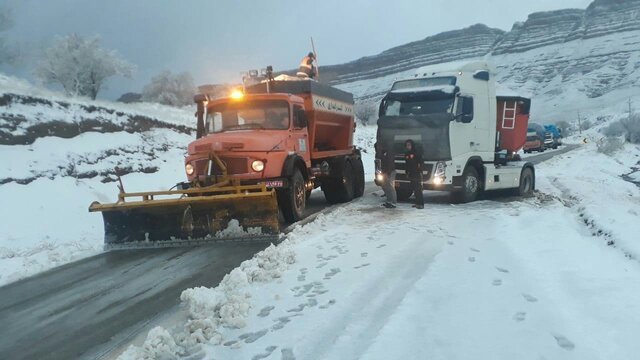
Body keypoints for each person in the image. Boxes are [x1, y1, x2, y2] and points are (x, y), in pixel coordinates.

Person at [375, 142, 397, 208]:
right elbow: (377, 164)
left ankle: (393, 202)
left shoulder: (388, 153)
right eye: (376, 148)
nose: (377, 149)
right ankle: (389, 201)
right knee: (385, 186)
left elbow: (390, 163)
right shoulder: (378, 154)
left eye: (378, 147)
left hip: (390, 172)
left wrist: (388, 173)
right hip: (383, 172)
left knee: (390, 187)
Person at [404, 139, 424, 209]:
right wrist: (407, 172)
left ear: (412, 145)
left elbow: (421, 162)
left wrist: (419, 169)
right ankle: (417, 203)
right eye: (407, 145)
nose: (408, 146)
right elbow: (407, 164)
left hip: (416, 173)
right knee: (414, 189)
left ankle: (421, 204)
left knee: (418, 189)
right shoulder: (407, 154)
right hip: (411, 173)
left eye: (409, 145)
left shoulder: (416, 153)